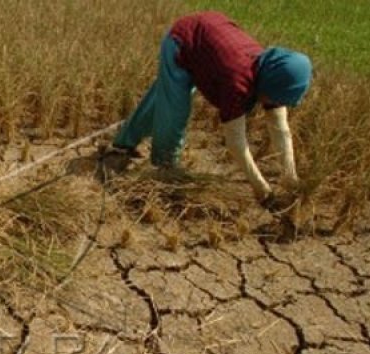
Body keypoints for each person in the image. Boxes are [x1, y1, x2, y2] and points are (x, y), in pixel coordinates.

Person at [108, 11, 312, 210]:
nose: (275, 103)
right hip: (182, 42)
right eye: (277, 98)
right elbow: (236, 144)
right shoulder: (237, 83)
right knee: (174, 113)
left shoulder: (271, 74)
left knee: (162, 99)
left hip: (209, 44)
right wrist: (262, 190)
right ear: (270, 85)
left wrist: (290, 177)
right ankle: (165, 167)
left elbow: (280, 129)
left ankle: (124, 142)